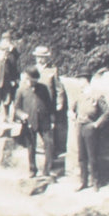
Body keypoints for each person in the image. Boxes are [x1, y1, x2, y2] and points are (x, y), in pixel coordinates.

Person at [74, 68, 109, 191]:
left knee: (92, 156)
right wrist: (72, 114)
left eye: (80, 80)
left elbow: (106, 112)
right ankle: (83, 181)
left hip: (90, 127)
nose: (79, 82)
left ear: (86, 80)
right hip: (80, 126)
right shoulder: (79, 94)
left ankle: (96, 181)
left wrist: (97, 124)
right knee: (81, 156)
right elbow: (74, 108)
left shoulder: (96, 95)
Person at [14, 65, 55, 179]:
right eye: (31, 80)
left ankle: (47, 170)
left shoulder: (43, 88)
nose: (33, 83)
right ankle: (32, 169)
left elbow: (50, 105)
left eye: (35, 80)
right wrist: (22, 115)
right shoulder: (21, 90)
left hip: (44, 121)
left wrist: (52, 120)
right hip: (29, 122)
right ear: (27, 78)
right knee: (31, 146)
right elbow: (16, 108)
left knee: (49, 144)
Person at [33, 46, 69, 177]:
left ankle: (48, 167)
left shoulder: (52, 71)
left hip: (48, 108)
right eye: (38, 57)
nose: (40, 59)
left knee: (49, 137)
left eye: (42, 57)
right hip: (34, 106)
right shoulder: (32, 70)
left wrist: (60, 103)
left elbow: (59, 89)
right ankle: (34, 167)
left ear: (46, 58)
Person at [0, 44, 20, 121]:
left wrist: (13, 80)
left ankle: (6, 117)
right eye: (3, 51)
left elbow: (13, 71)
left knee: (7, 101)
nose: (5, 53)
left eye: (7, 52)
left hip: (7, 83)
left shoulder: (10, 61)